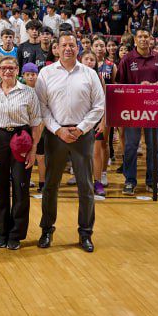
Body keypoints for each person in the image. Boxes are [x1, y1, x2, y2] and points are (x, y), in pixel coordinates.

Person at [36, 34, 104, 252]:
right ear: (56, 48)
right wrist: (58, 130)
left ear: (78, 48)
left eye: (72, 45)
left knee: (85, 187)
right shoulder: (45, 73)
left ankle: (85, 233)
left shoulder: (90, 73)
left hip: (82, 135)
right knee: (50, 186)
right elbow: (41, 107)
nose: (68, 48)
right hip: (55, 135)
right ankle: (47, 229)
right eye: (64, 45)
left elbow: (98, 106)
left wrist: (82, 128)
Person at [0, 55, 42, 250]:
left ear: (17, 70)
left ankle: (16, 234)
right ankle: (2, 232)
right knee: (0, 188)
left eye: (11, 68)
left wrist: (34, 149)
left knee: (20, 187)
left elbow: (36, 122)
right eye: (4, 68)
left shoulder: (28, 92)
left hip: (22, 139)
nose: (7, 71)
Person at [115, 29, 158, 195]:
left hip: (154, 109)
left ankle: (152, 181)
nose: (143, 39)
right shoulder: (127, 59)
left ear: (151, 39)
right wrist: (137, 89)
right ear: (135, 40)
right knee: (131, 146)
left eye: (146, 37)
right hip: (133, 110)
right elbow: (120, 87)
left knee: (154, 147)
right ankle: (130, 181)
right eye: (140, 37)